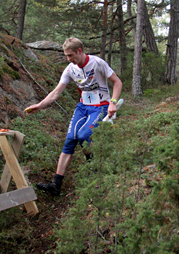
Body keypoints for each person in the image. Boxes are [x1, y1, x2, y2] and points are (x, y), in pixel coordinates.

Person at [25, 37, 122, 196]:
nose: (68, 59)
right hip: (83, 107)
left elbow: (117, 82)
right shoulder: (70, 69)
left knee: (83, 135)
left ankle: (94, 169)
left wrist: (113, 102)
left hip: (101, 107)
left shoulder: (98, 63)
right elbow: (56, 92)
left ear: (80, 51)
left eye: (70, 55)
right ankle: (56, 184)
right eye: (66, 56)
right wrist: (40, 105)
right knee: (70, 139)